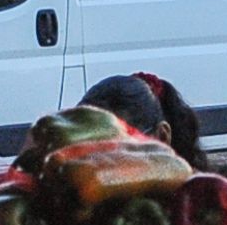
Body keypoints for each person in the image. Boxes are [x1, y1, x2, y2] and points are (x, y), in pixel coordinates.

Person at [81, 72, 227, 225]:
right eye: (86, 151)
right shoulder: (80, 208)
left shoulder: (219, 204)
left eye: (119, 149)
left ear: (162, 136)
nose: (102, 163)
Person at [80, 72, 209, 171]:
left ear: (162, 138)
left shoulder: (196, 198)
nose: (98, 163)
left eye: (119, 149)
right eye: (83, 150)